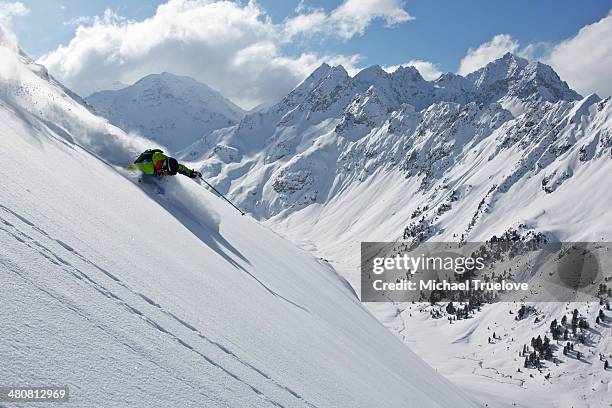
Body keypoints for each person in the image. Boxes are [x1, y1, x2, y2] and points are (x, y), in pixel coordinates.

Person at [128, 149, 201, 178]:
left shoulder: (170, 164)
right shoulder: (149, 168)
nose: (167, 175)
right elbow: (134, 167)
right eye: (167, 173)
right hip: (146, 164)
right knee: (151, 173)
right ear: (164, 168)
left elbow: (181, 168)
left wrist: (191, 173)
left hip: (156, 164)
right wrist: (132, 174)